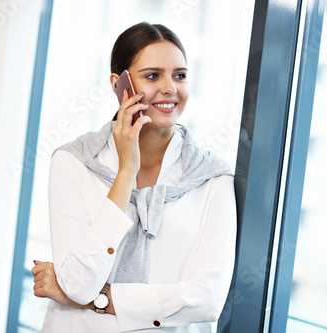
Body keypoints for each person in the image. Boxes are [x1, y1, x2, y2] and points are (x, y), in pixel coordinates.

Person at [31, 22, 237, 332]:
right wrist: (126, 172)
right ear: (120, 84)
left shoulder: (212, 178)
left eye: (179, 75)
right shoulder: (73, 161)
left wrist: (97, 300)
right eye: (153, 75)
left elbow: (207, 299)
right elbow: (77, 283)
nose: (170, 88)